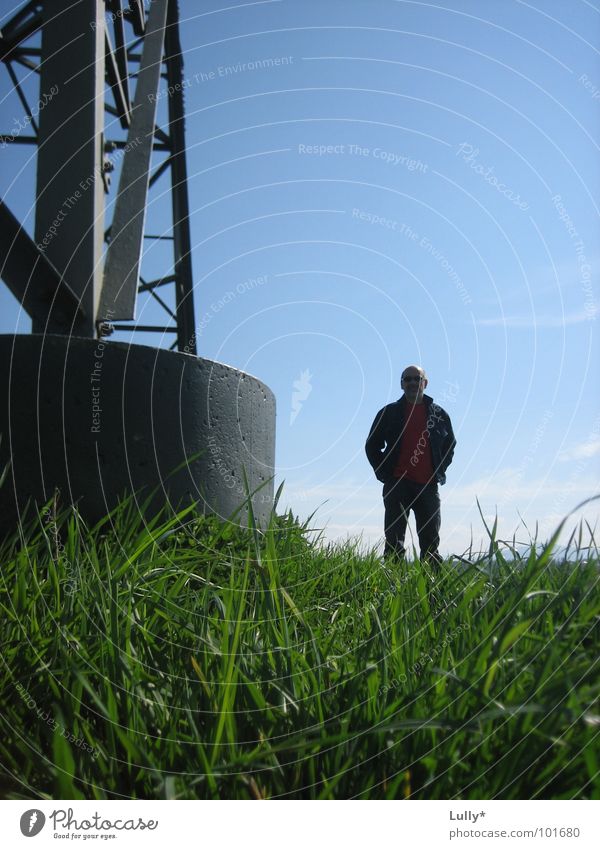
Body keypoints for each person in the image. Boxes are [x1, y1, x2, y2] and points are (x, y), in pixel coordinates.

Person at [365, 365, 456, 563]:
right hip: (397, 485)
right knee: (394, 542)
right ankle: (392, 589)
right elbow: (372, 445)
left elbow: (450, 445)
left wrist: (438, 470)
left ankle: (431, 591)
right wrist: (384, 473)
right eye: (408, 379)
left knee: (431, 545)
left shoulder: (439, 415)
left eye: (417, 378)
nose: (413, 383)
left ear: (425, 383)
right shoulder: (388, 413)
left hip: (428, 486)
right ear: (401, 384)